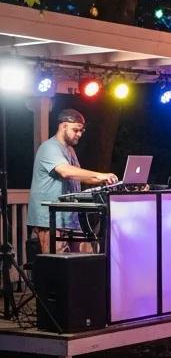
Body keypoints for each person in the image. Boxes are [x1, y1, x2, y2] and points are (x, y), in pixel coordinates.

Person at [28, 108, 118, 253]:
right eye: (76, 130)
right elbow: (65, 171)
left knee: (86, 257)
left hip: (71, 217)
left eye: (81, 131)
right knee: (57, 265)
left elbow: (77, 177)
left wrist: (104, 181)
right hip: (50, 219)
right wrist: (100, 174)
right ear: (63, 126)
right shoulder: (49, 147)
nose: (80, 134)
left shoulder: (70, 150)